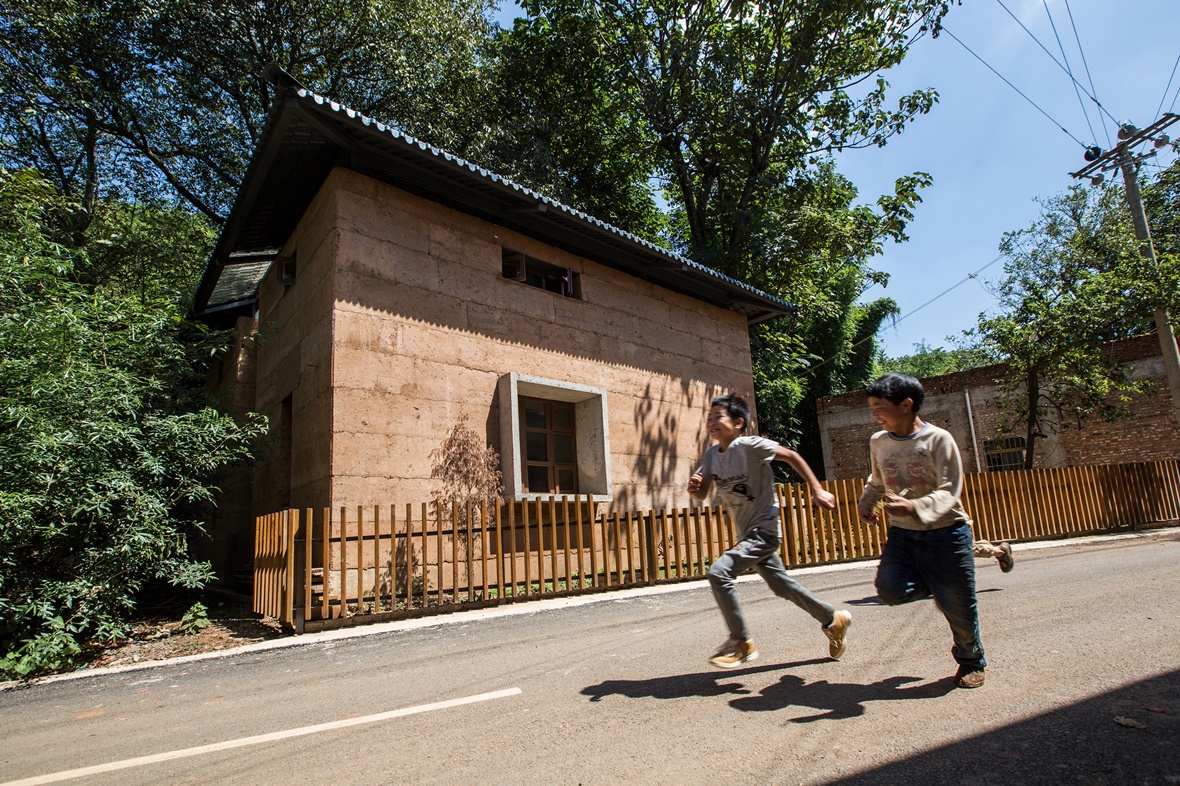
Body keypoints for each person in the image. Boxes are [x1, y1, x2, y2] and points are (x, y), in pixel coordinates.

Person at [689, 394, 852, 669]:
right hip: (747, 536)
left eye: (719, 416)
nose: (712, 421)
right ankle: (832, 619)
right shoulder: (711, 456)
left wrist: (817, 489)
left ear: (738, 423)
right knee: (781, 586)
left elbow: (792, 456)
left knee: (719, 572)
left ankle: (740, 642)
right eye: (709, 417)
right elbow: (701, 493)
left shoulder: (751, 445)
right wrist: (694, 489)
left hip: (763, 530)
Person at [857, 372, 988, 688]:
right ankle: (939, 588)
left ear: (906, 405)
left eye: (880, 407)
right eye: (872, 408)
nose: (875, 414)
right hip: (903, 535)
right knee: (889, 590)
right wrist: (866, 502)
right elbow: (878, 479)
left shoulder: (938, 439)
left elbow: (949, 489)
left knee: (959, 609)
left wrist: (915, 506)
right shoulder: (878, 441)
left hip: (947, 533)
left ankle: (971, 662)